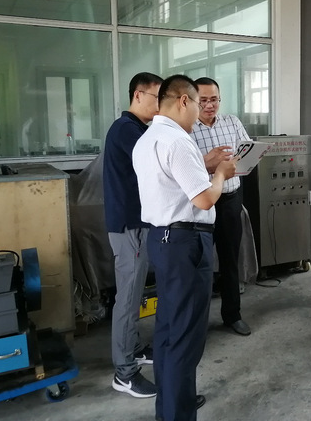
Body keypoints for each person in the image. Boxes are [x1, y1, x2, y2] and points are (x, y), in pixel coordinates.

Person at [133, 74, 237, 421]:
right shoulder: (178, 141)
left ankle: (171, 407)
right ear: (183, 101)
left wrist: (206, 167)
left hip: (162, 239)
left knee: (167, 331)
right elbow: (205, 199)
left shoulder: (148, 138)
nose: (201, 112)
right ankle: (178, 413)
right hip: (185, 242)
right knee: (185, 339)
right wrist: (221, 173)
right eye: (198, 103)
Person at [103, 72, 163, 398]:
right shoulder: (127, 129)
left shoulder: (138, 129)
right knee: (127, 299)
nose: (161, 105)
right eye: (157, 98)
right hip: (129, 226)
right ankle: (124, 373)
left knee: (134, 292)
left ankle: (134, 348)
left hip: (136, 224)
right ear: (138, 95)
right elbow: (159, 164)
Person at [190, 77, 252, 336]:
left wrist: (239, 161)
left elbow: (247, 152)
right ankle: (195, 324)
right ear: (193, 101)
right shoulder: (186, 129)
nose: (209, 105)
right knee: (198, 264)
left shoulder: (232, 122)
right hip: (201, 204)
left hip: (230, 199)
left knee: (230, 260)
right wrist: (211, 165)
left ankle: (232, 315)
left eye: (214, 99)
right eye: (203, 100)